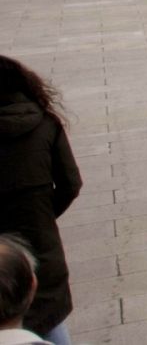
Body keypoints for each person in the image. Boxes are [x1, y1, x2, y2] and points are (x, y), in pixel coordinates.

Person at [0, 57, 82, 344]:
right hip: (40, 241)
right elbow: (70, 184)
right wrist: (41, 212)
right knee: (48, 317)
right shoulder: (45, 123)